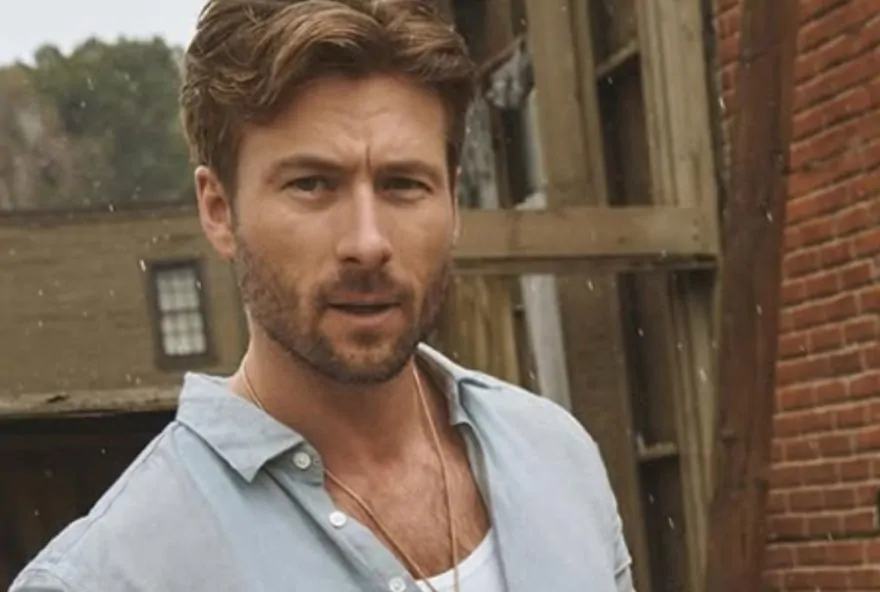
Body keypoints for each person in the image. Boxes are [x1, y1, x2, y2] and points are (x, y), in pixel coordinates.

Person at [11, 1, 634, 590]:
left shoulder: (556, 460)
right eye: (312, 185)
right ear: (219, 210)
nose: (367, 243)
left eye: (403, 184)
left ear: (452, 199)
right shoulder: (113, 573)